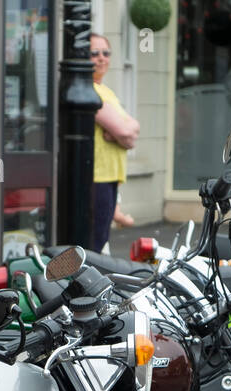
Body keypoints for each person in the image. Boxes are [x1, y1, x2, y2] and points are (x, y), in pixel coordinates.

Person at [90, 33, 139, 253]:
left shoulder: (106, 91)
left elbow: (132, 130)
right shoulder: (90, 90)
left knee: (101, 239)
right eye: (94, 53)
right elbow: (124, 130)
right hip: (96, 177)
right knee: (95, 241)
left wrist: (120, 134)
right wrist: (120, 133)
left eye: (106, 53)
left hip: (110, 176)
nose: (101, 58)